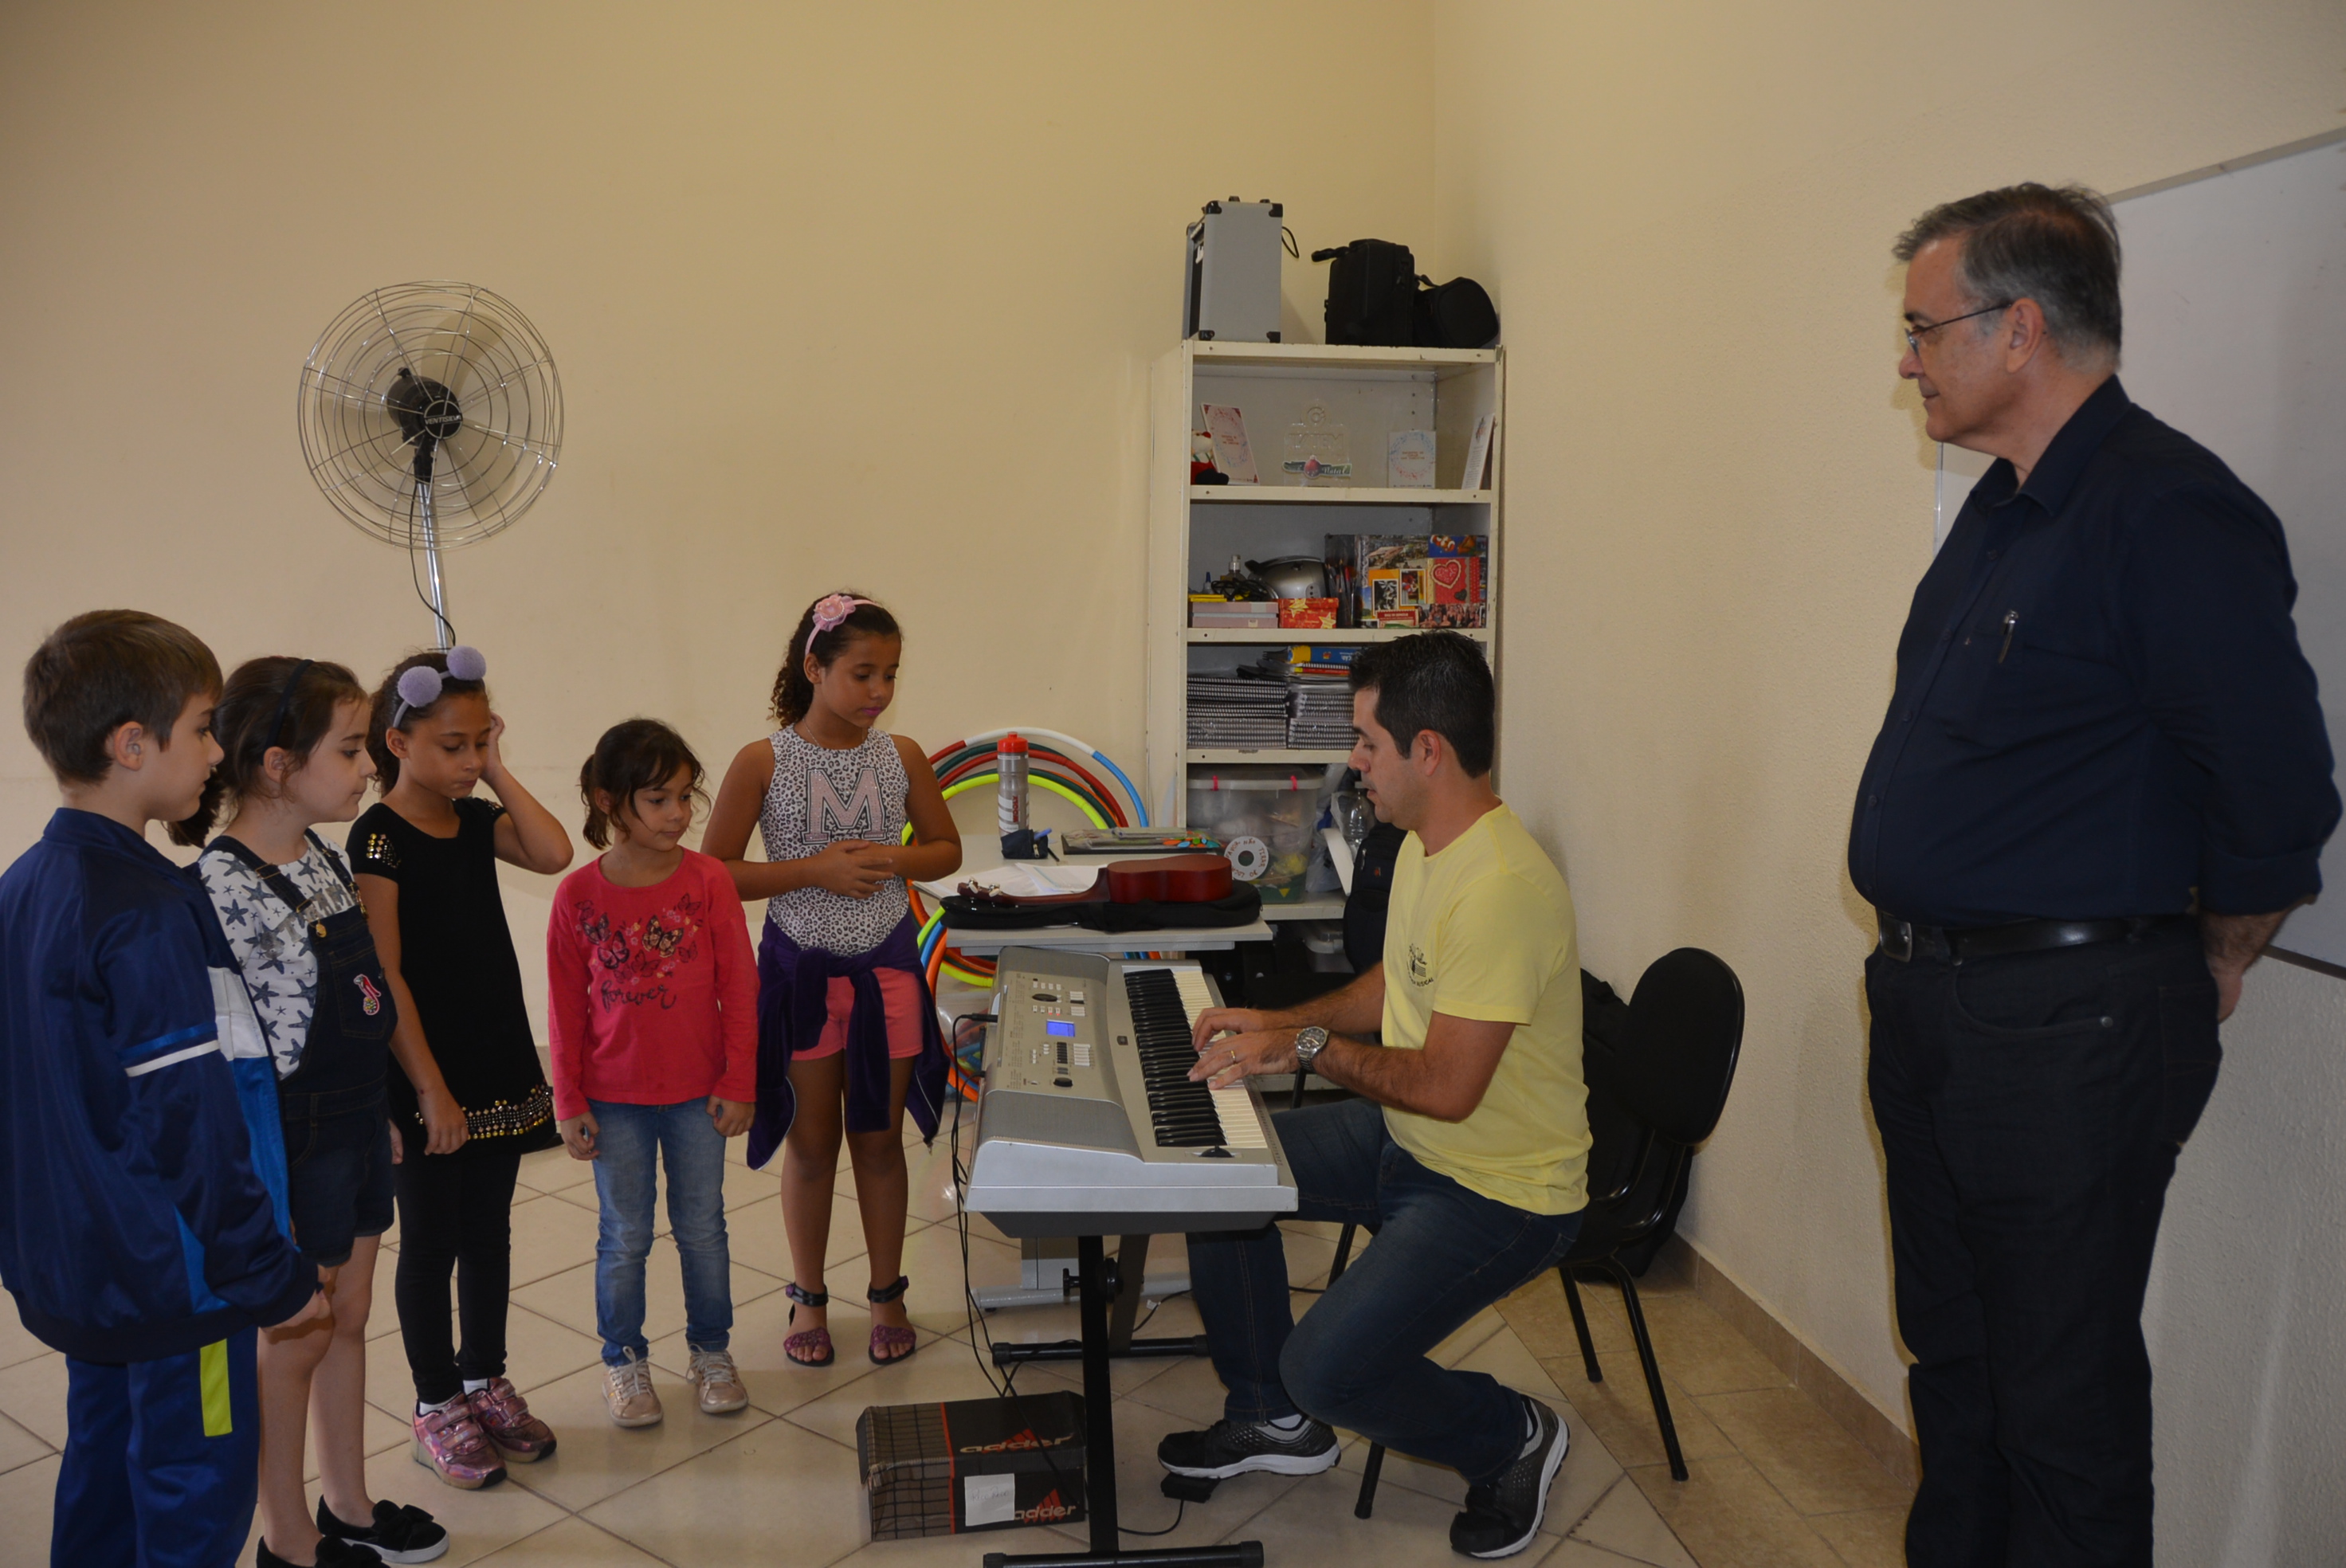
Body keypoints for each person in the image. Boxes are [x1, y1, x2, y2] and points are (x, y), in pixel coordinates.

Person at [1854, 183, 2340, 1564]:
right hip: (1933, 1006)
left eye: (1921, 329)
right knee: (1954, 1361)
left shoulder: (2167, 510)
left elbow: (2276, 790)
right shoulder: (1998, 513)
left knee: (2056, 1397)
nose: (1906, 361)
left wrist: (2217, 955)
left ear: (2017, 329)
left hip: (2067, 1027)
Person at [1164, 631, 1587, 1562]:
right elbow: (1393, 985)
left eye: (1366, 742)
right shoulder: (1427, 846)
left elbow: (1444, 1087)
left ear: (1426, 750)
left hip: (1502, 1192)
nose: (1354, 762)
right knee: (1213, 1173)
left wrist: (1304, 1047)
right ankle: (1272, 1419)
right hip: (1412, 1141)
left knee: (1327, 1370)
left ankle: (1511, 1435)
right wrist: (1277, 1021)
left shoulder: (1502, 888)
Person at [0, 610, 325, 1567]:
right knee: (196, 1490)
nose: (217, 751)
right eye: (202, 728)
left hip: (86, 1270)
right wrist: (267, 1273)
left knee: (103, 1468)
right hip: (184, 1280)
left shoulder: (23, 887)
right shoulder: (145, 911)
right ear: (132, 745)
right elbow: (193, 1118)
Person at [181, 657, 449, 1566]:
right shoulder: (219, 890)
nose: (369, 765)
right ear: (277, 764)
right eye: (349, 748)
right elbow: (234, 1064)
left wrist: (378, 1107)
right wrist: (271, 1172)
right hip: (288, 1143)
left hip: (354, 1126)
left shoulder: (325, 858)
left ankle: (348, 1503)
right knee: (296, 1333)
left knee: (349, 1313)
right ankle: (287, 1538)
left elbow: (361, 999)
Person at [701, 591, 959, 1368]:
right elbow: (715, 873)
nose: (879, 690)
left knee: (878, 1139)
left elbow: (944, 849)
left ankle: (887, 1293)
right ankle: (808, 1296)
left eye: (891, 674)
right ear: (814, 669)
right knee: (812, 1145)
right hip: (800, 977)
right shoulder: (763, 761)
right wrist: (811, 871)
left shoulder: (900, 754)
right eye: (862, 673)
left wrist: (891, 859)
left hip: (888, 971)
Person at [351, 647, 574, 1488]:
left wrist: (498, 770)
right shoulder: (379, 837)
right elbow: (385, 971)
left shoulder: (476, 819)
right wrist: (429, 1088)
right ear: (397, 742)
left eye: (481, 741)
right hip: (425, 1073)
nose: (470, 760)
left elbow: (553, 853)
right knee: (431, 1242)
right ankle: (436, 1400)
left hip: (496, 1060)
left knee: (489, 1233)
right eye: (453, 745)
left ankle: (484, 1380)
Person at [547, 719, 758, 1427]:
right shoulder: (576, 896)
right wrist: (568, 1099)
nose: (678, 814)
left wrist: (738, 1080)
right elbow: (564, 1010)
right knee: (624, 1236)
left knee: (702, 1228)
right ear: (610, 802)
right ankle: (623, 1361)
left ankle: (711, 1352)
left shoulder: (709, 880)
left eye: (685, 797)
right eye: (659, 799)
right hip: (614, 1100)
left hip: (701, 1095)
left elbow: (741, 988)